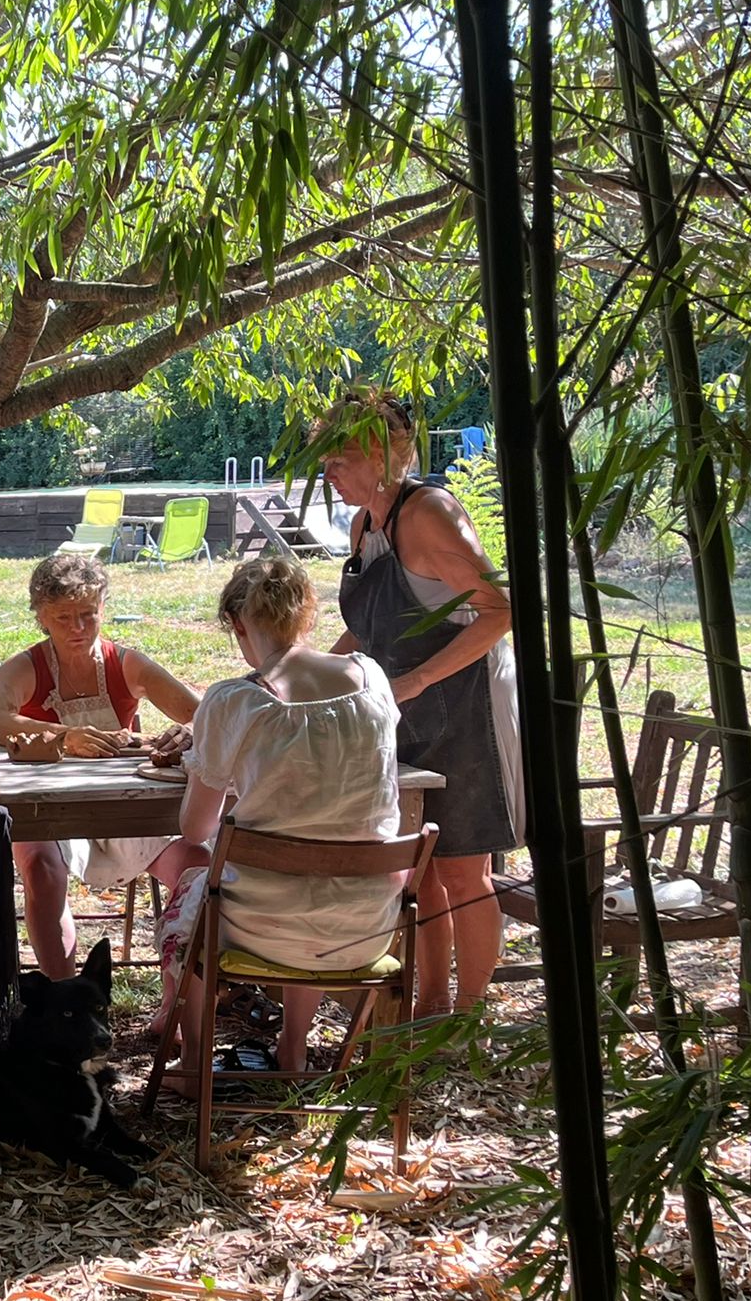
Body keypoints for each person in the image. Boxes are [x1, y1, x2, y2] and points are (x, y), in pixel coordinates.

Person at [150, 558, 406, 1081]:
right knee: (313, 879)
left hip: (257, 927)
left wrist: (216, 767)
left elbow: (196, 830)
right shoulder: (370, 678)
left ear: (238, 624)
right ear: (306, 617)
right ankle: (292, 1053)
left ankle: (195, 1062)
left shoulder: (235, 699)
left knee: (201, 886)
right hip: (365, 924)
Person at [323, 389, 520, 1017]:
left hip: (467, 711)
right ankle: (432, 1007)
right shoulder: (364, 526)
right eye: (324, 460)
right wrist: (299, 676)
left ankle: (470, 1017)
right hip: (401, 714)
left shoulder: (430, 514)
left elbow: (500, 611)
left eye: (340, 458)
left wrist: (418, 680)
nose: (328, 472)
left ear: (382, 454)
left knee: (465, 871)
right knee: (422, 870)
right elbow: (367, 627)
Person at [0, 553, 200, 977]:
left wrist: (189, 731)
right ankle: (64, 997)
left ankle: (176, 1004)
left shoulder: (125, 662)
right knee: (43, 871)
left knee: (200, 867)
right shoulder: (26, 667)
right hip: (50, 810)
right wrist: (65, 735)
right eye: (63, 618)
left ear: (103, 608)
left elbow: (200, 711)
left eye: (88, 615)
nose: (78, 629)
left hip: (122, 808)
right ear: (42, 617)